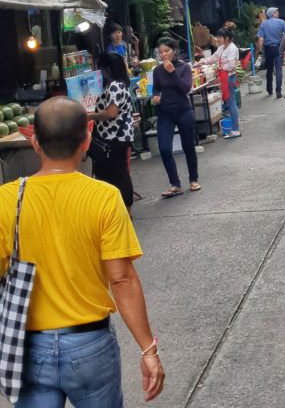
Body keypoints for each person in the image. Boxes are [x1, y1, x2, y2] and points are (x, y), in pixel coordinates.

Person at [0, 98, 164, 405]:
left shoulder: (5, 200)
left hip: (29, 349)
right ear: (88, 136)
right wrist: (148, 350)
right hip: (90, 346)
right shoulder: (103, 197)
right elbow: (122, 279)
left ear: (34, 142)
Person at [152, 37, 200, 197]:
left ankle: (193, 179)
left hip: (183, 110)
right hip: (165, 112)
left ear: (174, 51)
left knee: (188, 146)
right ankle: (175, 183)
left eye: (167, 51)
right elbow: (156, 89)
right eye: (161, 52)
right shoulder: (157, 71)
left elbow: (185, 88)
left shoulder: (184, 67)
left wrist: (172, 71)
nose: (164, 54)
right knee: (164, 148)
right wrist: (156, 96)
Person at [87, 52, 135, 211]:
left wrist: (89, 116)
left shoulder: (115, 86)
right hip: (115, 137)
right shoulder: (119, 84)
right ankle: (120, 208)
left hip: (114, 137)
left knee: (117, 173)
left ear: (107, 68)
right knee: (115, 171)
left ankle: (125, 208)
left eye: (99, 67)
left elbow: (111, 113)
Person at [257, 7, 285, 98]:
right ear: (272, 14)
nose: (278, 13)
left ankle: (269, 89)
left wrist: (260, 51)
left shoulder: (263, 24)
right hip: (279, 47)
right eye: (276, 12)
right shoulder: (281, 22)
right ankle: (278, 91)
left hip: (268, 49)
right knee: (279, 69)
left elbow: (261, 39)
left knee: (269, 69)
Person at [215, 27, 241, 138]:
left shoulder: (232, 48)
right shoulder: (222, 48)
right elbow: (214, 57)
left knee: (231, 104)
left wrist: (221, 67)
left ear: (227, 38)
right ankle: (235, 126)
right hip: (224, 78)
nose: (218, 39)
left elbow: (231, 66)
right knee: (230, 103)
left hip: (229, 78)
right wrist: (203, 61)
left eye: (220, 37)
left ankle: (235, 130)